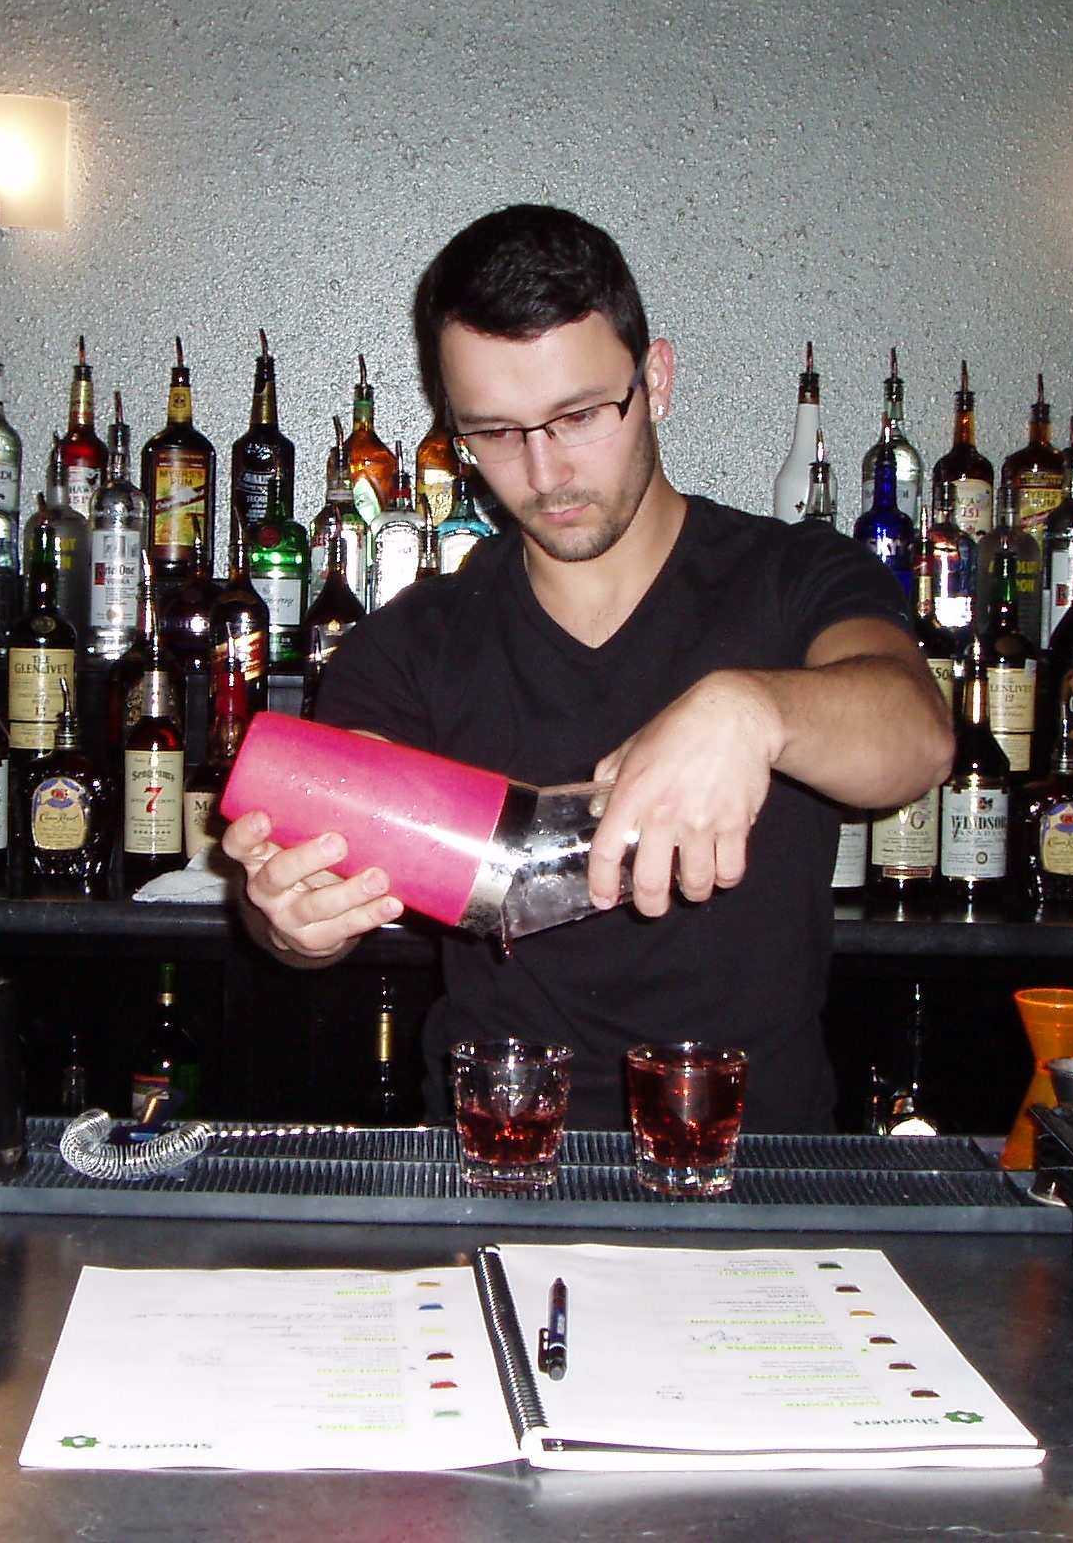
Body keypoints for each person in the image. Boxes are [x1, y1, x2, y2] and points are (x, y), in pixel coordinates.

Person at [222, 205, 952, 1130]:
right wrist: (290, 918)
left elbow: (917, 737)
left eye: (577, 416)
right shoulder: (413, 645)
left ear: (657, 378)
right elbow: (306, 885)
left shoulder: (792, 577)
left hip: (752, 1170)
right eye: (492, 432)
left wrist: (750, 710)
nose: (543, 471)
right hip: (498, 1156)